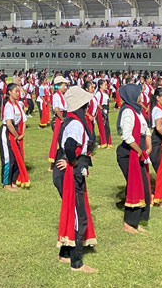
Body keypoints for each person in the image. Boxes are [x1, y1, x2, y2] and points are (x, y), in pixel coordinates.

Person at [54, 86, 97, 273]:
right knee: (80, 217)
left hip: (69, 170)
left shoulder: (71, 121)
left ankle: (64, 253)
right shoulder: (76, 124)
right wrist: (72, 162)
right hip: (71, 173)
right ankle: (76, 262)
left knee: (73, 212)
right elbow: (70, 146)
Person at [116, 83, 152, 234]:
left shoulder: (137, 111)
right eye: (138, 93)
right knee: (136, 186)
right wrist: (140, 151)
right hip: (129, 153)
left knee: (144, 187)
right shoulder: (128, 112)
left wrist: (148, 148)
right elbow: (127, 136)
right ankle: (128, 224)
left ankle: (135, 222)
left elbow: (146, 129)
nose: (140, 96)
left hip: (139, 152)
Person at [0, 83, 30, 191]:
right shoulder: (8, 106)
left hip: (15, 132)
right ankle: (6, 183)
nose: (18, 93)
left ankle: (13, 180)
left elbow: (24, 121)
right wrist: (17, 136)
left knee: (18, 157)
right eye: (15, 91)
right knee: (8, 158)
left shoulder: (18, 105)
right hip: (6, 133)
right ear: (9, 93)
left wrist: (23, 134)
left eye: (18, 91)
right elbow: (9, 124)